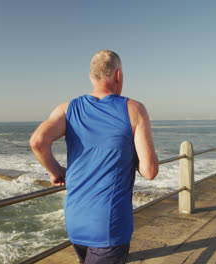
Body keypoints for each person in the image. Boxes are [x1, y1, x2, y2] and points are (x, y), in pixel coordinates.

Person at [30, 50, 158, 264]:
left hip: (75, 219)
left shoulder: (67, 109)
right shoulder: (134, 109)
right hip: (109, 224)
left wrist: (56, 171)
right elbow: (150, 171)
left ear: (91, 77)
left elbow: (37, 141)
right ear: (118, 75)